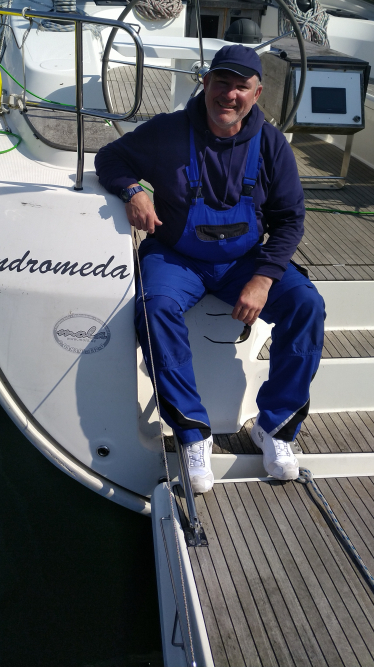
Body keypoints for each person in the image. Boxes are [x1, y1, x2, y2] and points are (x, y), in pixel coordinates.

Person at [95, 44, 325, 491]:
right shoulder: (167, 130)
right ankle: (192, 433)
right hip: (177, 258)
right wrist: (132, 191)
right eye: (222, 82)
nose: (229, 95)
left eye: (242, 86)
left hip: (245, 262)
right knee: (154, 308)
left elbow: (290, 219)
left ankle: (275, 428)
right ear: (206, 82)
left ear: (256, 93)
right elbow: (110, 159)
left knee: (306, 305)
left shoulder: (272, 145)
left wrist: (263, 278)